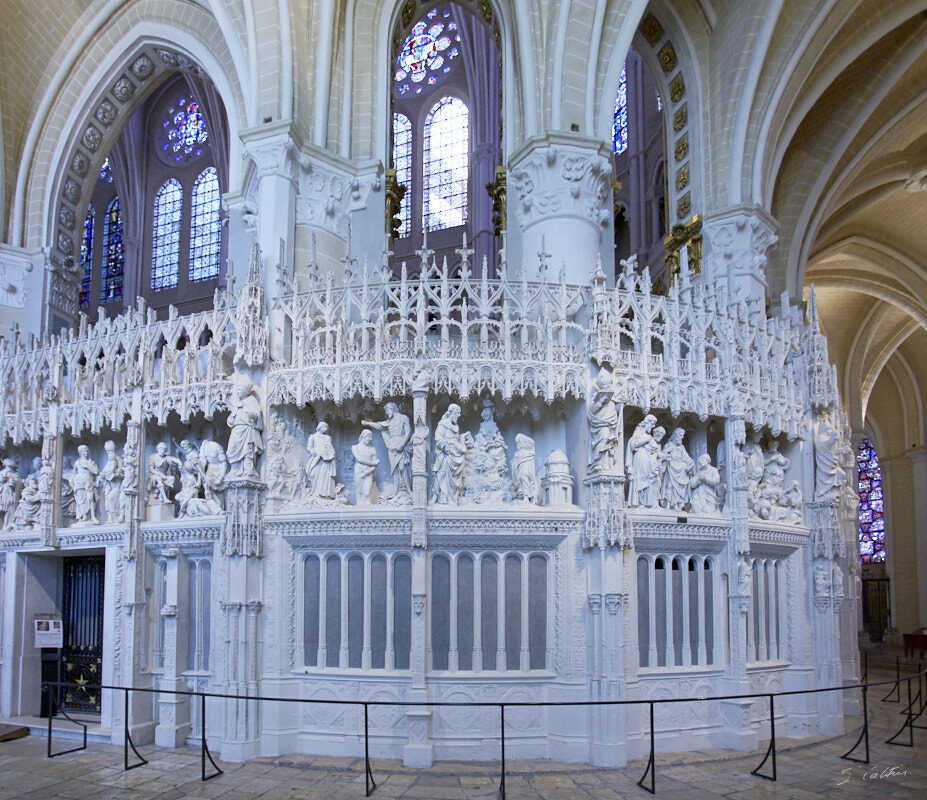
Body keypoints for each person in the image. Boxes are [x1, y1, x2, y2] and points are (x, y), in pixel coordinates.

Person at [363, 402, 412, 498]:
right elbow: (379, 426)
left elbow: (408, 432)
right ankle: (396, 491)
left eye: (387, 410)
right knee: (394, 470)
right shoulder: (389, 421)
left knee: (402, 467)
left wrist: (402, 445)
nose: (387, 413)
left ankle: (408, 490)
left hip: (401, 445)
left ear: (392, 409)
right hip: (392, 446)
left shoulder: (403, 418)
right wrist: (368, 423)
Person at [431, 404, 470, 505]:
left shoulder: (455, 426)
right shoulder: (443, 424)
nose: (458, 416)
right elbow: (438, 438)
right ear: (451, 413)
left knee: (457, 476)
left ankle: (453, 500)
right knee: (441, 475)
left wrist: (462, 438)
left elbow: (455, 439)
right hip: (445, 455)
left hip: (455, 454)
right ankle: (439, 497)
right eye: (457, 414)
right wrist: (445, 446)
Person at [587, 368, 622, 475]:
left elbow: (616, 411)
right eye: (607, 384)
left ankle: (606, 465)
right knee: (603, 438)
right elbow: (591, 411)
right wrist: (601, 401)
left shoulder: (613, 399)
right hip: (601, 425)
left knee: (609, 445)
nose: (608, 386)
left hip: (611, 424)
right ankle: (597, 463)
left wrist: (622, 404)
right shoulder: (597, 397)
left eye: (610, 384)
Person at [227, 379, 264, 476]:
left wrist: (253, 416)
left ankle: (248, 469)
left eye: (240, 391)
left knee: (248, 449)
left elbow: (257, 414)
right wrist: (230, 420)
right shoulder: (237, 403)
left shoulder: (251, 401)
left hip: (247, 429)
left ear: (245, 392)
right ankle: (234, 469)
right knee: (232, 448)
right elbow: (232, 417)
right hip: (236, 430)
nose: (238, 393)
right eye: (237, 391)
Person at [626, 414, 657, 507]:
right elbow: (633, 444)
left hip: (648, 460)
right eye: (652, 425)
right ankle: (639, 502)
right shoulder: (639, 432)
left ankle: (645, 502)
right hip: (640, 459)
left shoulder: (648, 436)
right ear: (648, 423)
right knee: (639, 479)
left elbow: (655, 447)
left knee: (647, 480)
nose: (653, 427)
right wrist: (645, 440)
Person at [660, 427, 694, 510]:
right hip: (671, 469)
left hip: (680, 471)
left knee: (678, 489)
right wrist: (666, 454)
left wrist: (691, 463)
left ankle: (676, 504)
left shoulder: (681, 447)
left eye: (682, 436)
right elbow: (663, 455)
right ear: (675, 436)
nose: (682, 437)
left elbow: (686, 458)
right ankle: (668, 503)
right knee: (669, 486)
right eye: (680, 436)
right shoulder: (669, 445)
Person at [305, 421, 337, 499]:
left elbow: (330, 447)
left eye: (327, 428)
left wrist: (331, 453)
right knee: (314, 474)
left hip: (327, 460)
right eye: (325, 427)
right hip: (317, 458)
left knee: (326, 476)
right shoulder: (313, 437)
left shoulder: (328, 438)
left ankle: (325, 494)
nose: (326, 429)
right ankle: (315, 492)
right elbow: (309, 447)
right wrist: (312, 451)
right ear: (320, 427)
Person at [71, 445, 100, 525]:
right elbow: (74, 473)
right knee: (81, 500)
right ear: (80, 453)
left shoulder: (91, 462)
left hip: (88, 482)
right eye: (83, 451)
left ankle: (93, 516)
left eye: (86, 451)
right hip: (79, 483)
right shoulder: (77, 462)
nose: (85, 452)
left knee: (90, 499)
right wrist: (72, 481)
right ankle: (84, 516)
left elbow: (96, 472)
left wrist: (88, 466)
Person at [352, 429, 379, 505]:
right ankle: (359, 504)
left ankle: (368, 505)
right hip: (359, 470)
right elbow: (359, 459)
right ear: (363, 436)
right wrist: (373, 463)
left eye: (371, 437)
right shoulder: (355, 447)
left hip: (369, 472)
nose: (370, 439)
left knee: (367, 491)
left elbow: (376, 464)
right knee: (359, 489)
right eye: (369, 437)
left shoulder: (372, 449)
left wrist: (368, 471)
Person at [99, 440, 124, 523]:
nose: (108, 453)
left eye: (110, 450)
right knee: (108, 501)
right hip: (108, 486)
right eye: (107, 451)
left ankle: (115, 516)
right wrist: (103, 475)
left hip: (116, 485)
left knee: (111, 499)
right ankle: (110, 517)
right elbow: (104, 472)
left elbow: (122, 471)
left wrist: (115, 474)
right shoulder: (108, 461)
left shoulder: (117, 459)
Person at [511, 434, 539, 503]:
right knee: (520, 479)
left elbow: (532, 442)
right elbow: (515, 463)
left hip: (526, 468)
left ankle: (527, 496)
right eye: (517, 442)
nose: (517, 444)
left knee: (524, 477)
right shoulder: (517, 453)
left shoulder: (529, 451)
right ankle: (522, 495)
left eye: (518, 442)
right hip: (519, 470)